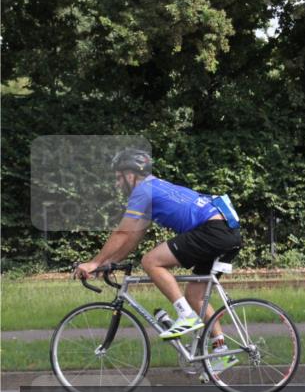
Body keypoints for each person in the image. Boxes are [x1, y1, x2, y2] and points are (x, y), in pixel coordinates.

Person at [73, 148, 242, 371]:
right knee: (195, 294)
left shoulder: (142, 191)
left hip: (212, 229)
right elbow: (131, 238)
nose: (117, 184)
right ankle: (221, 351)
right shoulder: (155, 188)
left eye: (118, 178)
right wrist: (108, 263)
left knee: (151, 261)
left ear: (130, 174)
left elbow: (121, 233)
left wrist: (94, 262)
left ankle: (185, 316)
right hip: (227, 231)